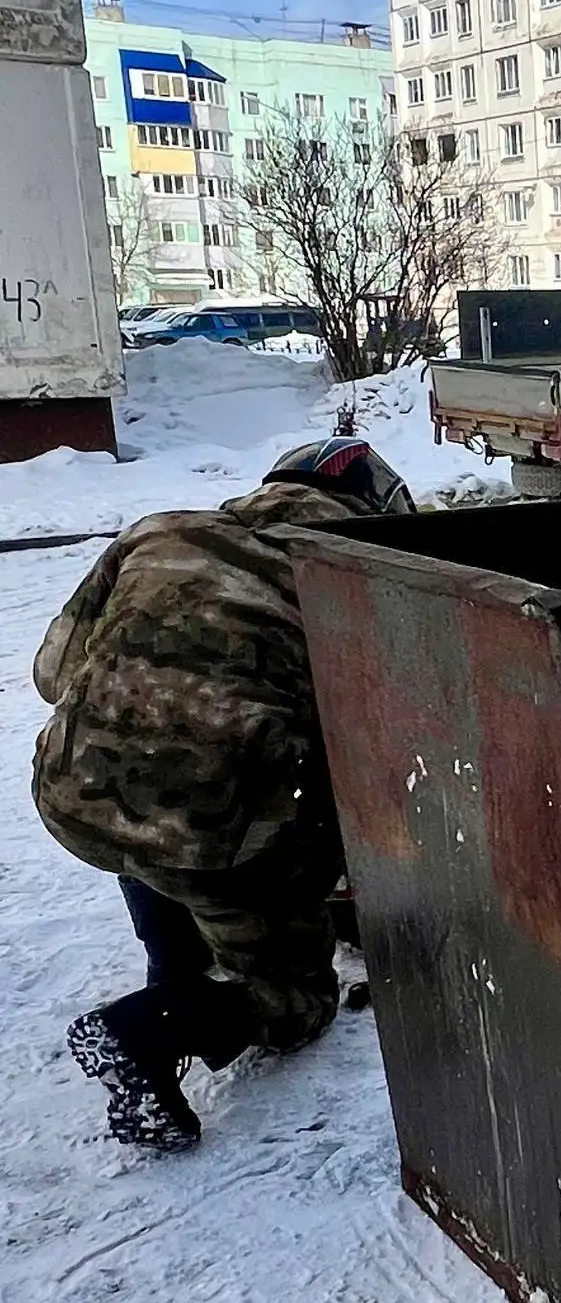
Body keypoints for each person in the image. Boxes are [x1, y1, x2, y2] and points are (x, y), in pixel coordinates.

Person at [32, 437, 414, 1151]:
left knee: (143, 774)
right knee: (298, 1003)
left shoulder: (159, 533)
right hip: (213, 839)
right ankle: (150, 1028)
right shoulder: (355, 586)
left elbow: (53, 673)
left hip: (70, 798)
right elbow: (380, 751)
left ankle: (172, 959)